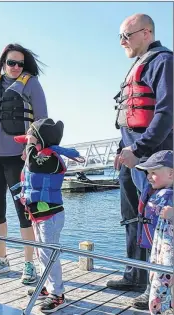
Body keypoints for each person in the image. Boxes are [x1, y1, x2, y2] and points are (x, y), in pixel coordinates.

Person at [107, 13, 173, 310]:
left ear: (146, 33)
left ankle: (157, 284)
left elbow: (165, 113)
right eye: (120, 36)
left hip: (151, 157)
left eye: (127, 35)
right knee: (132, 217)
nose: (122, 42)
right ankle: (135, 273)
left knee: (155, 221)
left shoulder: (163, 62)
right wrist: (124, 150)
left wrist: (140, 149)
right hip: (131, 153)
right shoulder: (138, 65)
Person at [0, 43, 48, 284]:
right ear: (3, 63)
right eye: (11, 62)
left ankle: (29, 264)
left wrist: (31, 147)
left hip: (18, 157)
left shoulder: (32, 84)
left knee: (24, 212)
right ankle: (1, 260)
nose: (15, 67)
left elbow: (42, 119)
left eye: (19, 63)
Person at [11, 118, 83, 313]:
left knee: (48, 254)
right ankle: (46, 285)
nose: (27, 145)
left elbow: (34, 164)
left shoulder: (48, 159)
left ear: (42, 139)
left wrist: (31, 149)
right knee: (40, 252)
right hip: (38, 214)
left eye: (31, 139)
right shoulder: (38, 154)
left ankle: (58, 294)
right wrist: (30, 145)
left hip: (50, 216)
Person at [135, 150, 173, 314]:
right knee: (157, 281)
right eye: (148, 173)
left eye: (154, 173)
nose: (149, 177)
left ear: (171, 174)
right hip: (159, 250)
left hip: (169, 254)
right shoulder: (155, 192)